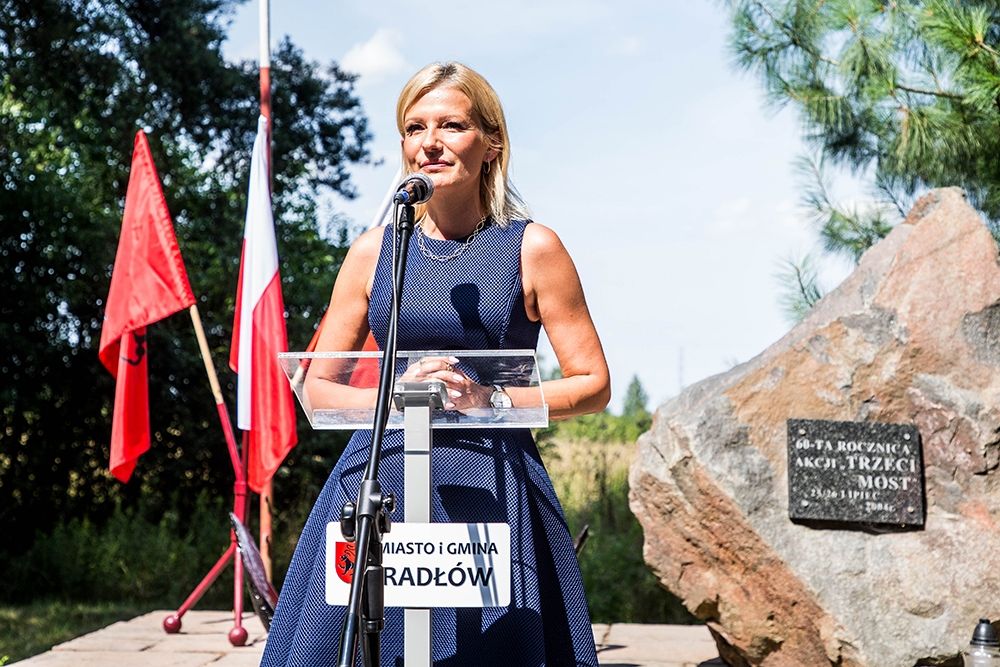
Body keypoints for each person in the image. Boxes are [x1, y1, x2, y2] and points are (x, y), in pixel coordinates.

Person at [260, 61, 610, 667]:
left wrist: (488, 400)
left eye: (451, 125)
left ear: (491, 142)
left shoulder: (534, 248)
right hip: (380, 480)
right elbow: (318, 386)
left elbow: (594, 384)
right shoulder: (374, 251)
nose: (429, 142)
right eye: (414, 127)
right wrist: (399, 399)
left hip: (492, 483)